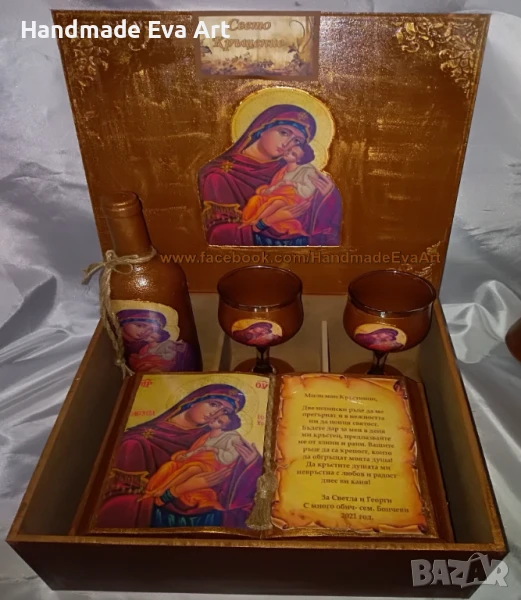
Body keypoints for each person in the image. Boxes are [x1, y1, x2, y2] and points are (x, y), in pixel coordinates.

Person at [96, 384, 262, 529]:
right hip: (161, 521)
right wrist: (179, 489)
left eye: (225, 411)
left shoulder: (211, 436)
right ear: (193, 400)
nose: (215, 413)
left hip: (203, 511)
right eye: (213, 404)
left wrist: (249, 464)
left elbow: (230, 481)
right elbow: (115, 508)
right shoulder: (137, 442)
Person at [198, 104, 342, 246]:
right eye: (284, 132)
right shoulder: (220, 175)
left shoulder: (290, 171)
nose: (287, 144)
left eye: (297, 141)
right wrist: (267, 221)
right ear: (261, 129)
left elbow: (318, 230)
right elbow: (217, 236)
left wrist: (326, 197)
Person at [141, 413, 243, 512]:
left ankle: (163, 490)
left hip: (212, 467)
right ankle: (154, 490)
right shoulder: (206, 435)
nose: (213, 420)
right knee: (169, 466)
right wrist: (184, 456)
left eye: (219, 421)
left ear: (225, 427)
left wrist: (215, 450)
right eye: (215, 417)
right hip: (195, 461)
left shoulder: (232, 438)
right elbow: (195, 450)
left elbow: (230, 457)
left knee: (193, 469)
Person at [240, 144, 320, 237]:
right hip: (276, 196)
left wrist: (292, 184)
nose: (288, 153)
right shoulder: (283, 170)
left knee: (278, 202)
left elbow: (308, 191)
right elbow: (275, 186)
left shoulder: (308, 171)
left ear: (299, 160)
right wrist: (266, 190)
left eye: (293, 154)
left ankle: (257, 220)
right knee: (256, 199)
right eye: (289, 150)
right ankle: (248, 221)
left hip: (294, 200)